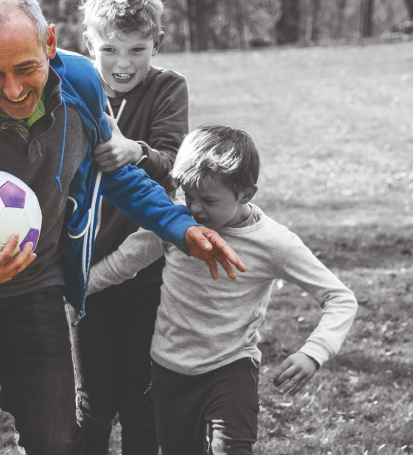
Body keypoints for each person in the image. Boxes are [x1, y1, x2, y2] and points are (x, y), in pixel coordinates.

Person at [0, 0, 245, 455]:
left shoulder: (81, 84)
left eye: (26, 68)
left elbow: (114, 173)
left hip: (33, 285)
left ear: (50, 43)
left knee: (56, 440)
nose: (13, 90)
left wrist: (179, 226)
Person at [88, 125, 357, 454]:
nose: (195, 208)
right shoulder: (175, 221)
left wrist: (314, 353)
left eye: (208, 200)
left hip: (232, 368)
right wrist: (70, 293)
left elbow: (339, 298)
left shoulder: (274, 243)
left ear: (246, 194)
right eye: (189, 195)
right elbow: (123, 262)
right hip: (169, 369)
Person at [74, 0, 190, 455]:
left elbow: (174, 165)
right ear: (89, 43)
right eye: (110, 50)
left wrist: (134, 151)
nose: (123, 64)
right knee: (94, 402)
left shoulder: (168, 88)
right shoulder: (73, 87)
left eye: (137, 50)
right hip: (86, 274)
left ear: (156, 43)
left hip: (146, 275)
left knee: (143, 402)